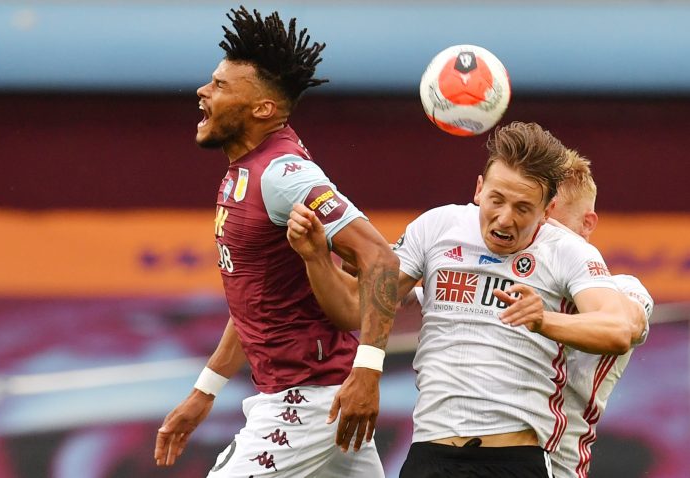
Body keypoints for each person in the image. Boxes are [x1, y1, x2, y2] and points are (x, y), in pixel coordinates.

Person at [287, 121, 635, 477]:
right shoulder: (438, 227)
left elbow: (617, 329)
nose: (504, 218)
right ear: (479, 189)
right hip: (431, 454)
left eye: (523, 208)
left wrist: (544, 321)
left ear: (547, 211)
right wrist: (315, 258)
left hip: (514, 459)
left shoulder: (567, 252)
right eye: (496, 200)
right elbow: (353, 311)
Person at [154, 7, 398, 477]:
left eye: (222, 86)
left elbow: (379, 258)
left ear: (263, 108)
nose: (204, 92)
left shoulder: (284, 174)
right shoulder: (242, 173)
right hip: (314, 399)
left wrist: (368, 371)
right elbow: (256, 302)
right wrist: (205, 390)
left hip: (306, 402)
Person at [549, 150, 653, 478]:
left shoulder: (624, 289)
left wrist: (541, 319)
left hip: (559, 465)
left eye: (549, 221)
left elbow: (628, 325)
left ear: (586, 223)